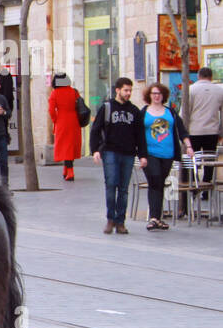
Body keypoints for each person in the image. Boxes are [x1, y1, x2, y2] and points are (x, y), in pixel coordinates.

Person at [138, 81, 192, 231]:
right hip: (150, 153)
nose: (156, 96)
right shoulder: (143, 112)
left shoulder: (171, 112)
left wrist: (188, 146)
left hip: (167, 154)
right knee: (154, 179)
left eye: (159, 94)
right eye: (154, 93)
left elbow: (181, 130)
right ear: (149, 95)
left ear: (163, 96)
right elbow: (136, 133)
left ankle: (157, 218)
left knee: (160, 183)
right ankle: (154, 218)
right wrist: (139, 153)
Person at [91, 77, 141, 235]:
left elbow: (140, 135)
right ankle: (110, 219)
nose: (128, 93)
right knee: (111, 184)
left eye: (130, 90)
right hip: (110, 151)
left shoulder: (134, 111)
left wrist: (143, 154)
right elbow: (96, 129)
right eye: (126, 90)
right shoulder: (107, 107)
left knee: (124, 188)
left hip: (128, 153)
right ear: (117, 90)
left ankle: (121, 221)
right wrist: (95, 150)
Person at [185, 65, 223, 192]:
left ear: (198, 76)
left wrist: (183, 132)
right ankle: (206, 188)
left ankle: (194, 186)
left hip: (193, 131)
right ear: (211, 77)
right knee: (209, 162)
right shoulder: (219, 91)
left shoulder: (190, 89)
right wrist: (220, 131)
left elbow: (185, 112)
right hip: (212, 131)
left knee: (192, 161)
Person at [48, 72, 83, 182]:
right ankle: (66, 169)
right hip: (74, 120)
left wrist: (55, 120)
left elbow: (51, 110)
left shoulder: (55, 93)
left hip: (62, 121)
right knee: (70, 146)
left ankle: (70, 171)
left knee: (64, 147)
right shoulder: (74, 92)